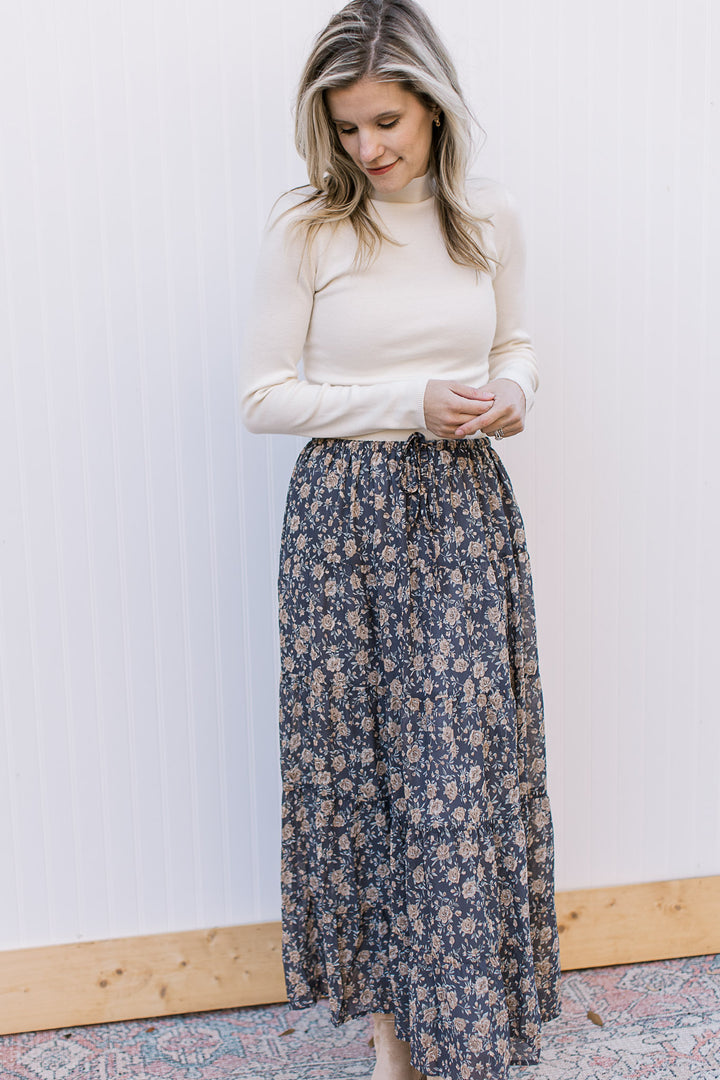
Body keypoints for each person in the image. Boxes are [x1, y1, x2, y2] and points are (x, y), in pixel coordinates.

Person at [240, 1, 562, 1077]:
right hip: (344, 522)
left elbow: (513, 339)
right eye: (344, 129)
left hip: (465, 514)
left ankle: (469, 1019)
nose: (367, 149)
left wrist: (511, 391)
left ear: (432, 104)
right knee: (366, 774)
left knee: (462, 771)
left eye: (385, 121)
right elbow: (263, 397)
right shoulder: (310, 229)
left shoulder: (487, 216)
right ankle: (391, 1033)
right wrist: (404, 401)